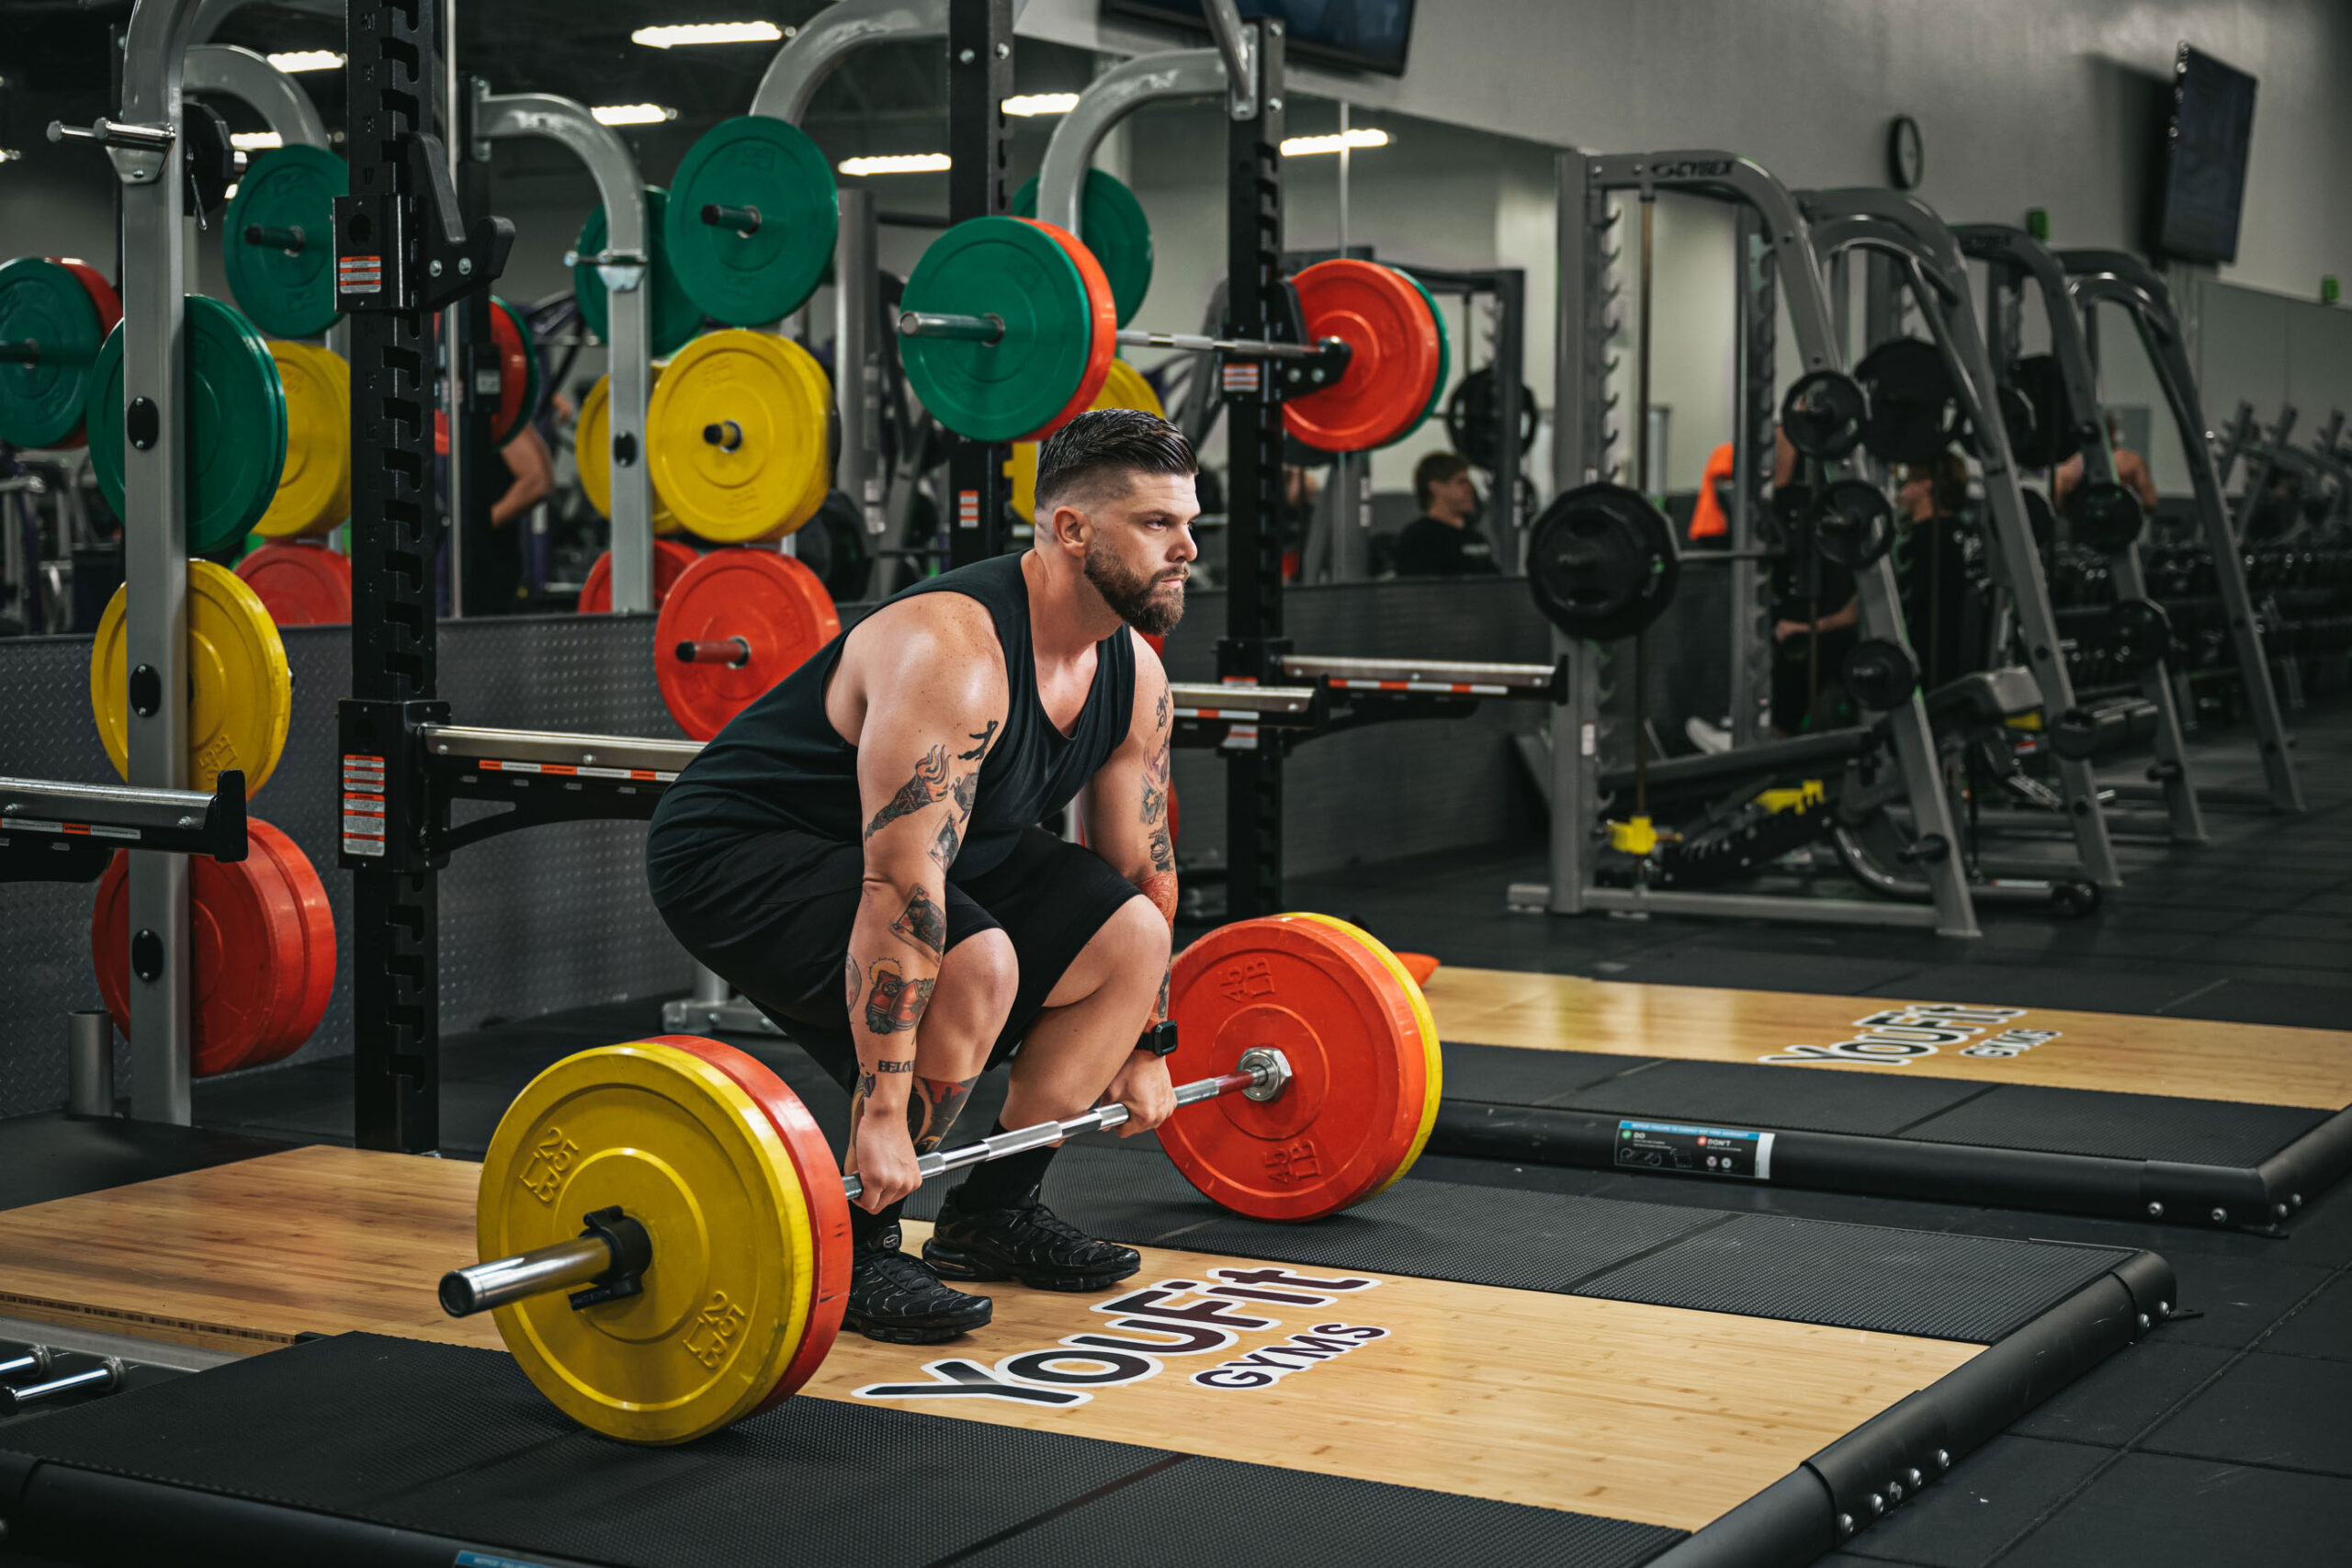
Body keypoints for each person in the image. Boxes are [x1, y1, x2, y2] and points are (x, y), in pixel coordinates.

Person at [646, 409, 1193, 1346]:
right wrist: (884, 1112)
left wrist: (1148, 1043)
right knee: (976, 963)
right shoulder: (955, 653)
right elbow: (901, 891)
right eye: (1156, 525)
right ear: (1070, 530)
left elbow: (1144, 871)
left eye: (1189, 525)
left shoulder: (1131, 672)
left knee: (1131, 936)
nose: (1184, 549)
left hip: (938, 854)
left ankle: (992, 1216)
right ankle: (861, 1242)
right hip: (739, 851)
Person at [1895, 446, 1978, 691]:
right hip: (1961, 662)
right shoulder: (1965, 533)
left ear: (1926, 486)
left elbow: (1903, 601)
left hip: (1927, 665)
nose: (1902, 490)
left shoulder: (1925, 538)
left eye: (1907, 481)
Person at [1394, 451, 1499, 576]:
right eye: (1461, 482)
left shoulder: (1476, 537)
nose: (1470, 488)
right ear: (1435, 487)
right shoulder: (1418, 539)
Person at [2051, 413, 2159, 514]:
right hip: (2120, 529)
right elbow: (2150, 502)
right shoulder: (2132, 462)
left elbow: (2058, 507)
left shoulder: (2067, 467)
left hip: (2082, 530)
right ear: (2114, 432)